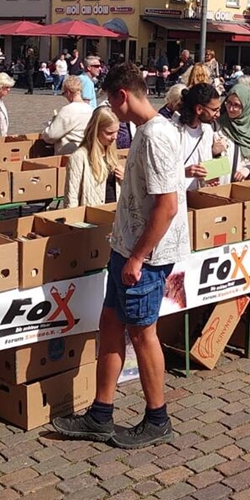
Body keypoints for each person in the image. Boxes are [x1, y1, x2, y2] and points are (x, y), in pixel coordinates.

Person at [52, 63, 188, 448]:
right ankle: (101, 413)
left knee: (143, 333)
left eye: (112, 99)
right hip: (127, 247)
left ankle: (158, 417)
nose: (112, 107)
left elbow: (167, 205)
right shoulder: (149, 132)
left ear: (122, 96)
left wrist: (138, 257)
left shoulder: (156, 136)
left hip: (144, 255)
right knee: (111, 322)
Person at [63, 107, 124, 207]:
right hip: (93, 216)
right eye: (109, 133)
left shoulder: (111, 153)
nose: (115, 137)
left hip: (115, 215)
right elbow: (71, 197)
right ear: (96, 130)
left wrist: (125, 178)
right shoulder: (79, 157)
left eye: (117, 131)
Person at [176, 83, 225, 191]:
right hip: (178, 196)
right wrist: (183, 172)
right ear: (199, 109)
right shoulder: (173, 131)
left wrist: (209, 179)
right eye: (214, 110)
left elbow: (206, 165)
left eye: (219, 110)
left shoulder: (207, 130)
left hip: (199, 195)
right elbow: (160, 171)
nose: (218, 115)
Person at [216, 83, 250, 183]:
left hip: (243, 187)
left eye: (236, 105)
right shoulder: (217, 125)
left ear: (247, 107)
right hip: (219, 186)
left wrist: (248, 169)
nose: (231, 109)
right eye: (229, 103)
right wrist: (214, 151)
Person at [41, 76, 93, 156]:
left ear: (68, 92)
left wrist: (47, 130)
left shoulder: (68, 110)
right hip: (87, 151)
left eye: (64, 94)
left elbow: (51, 136)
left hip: (69, 154)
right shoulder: (91, 110)